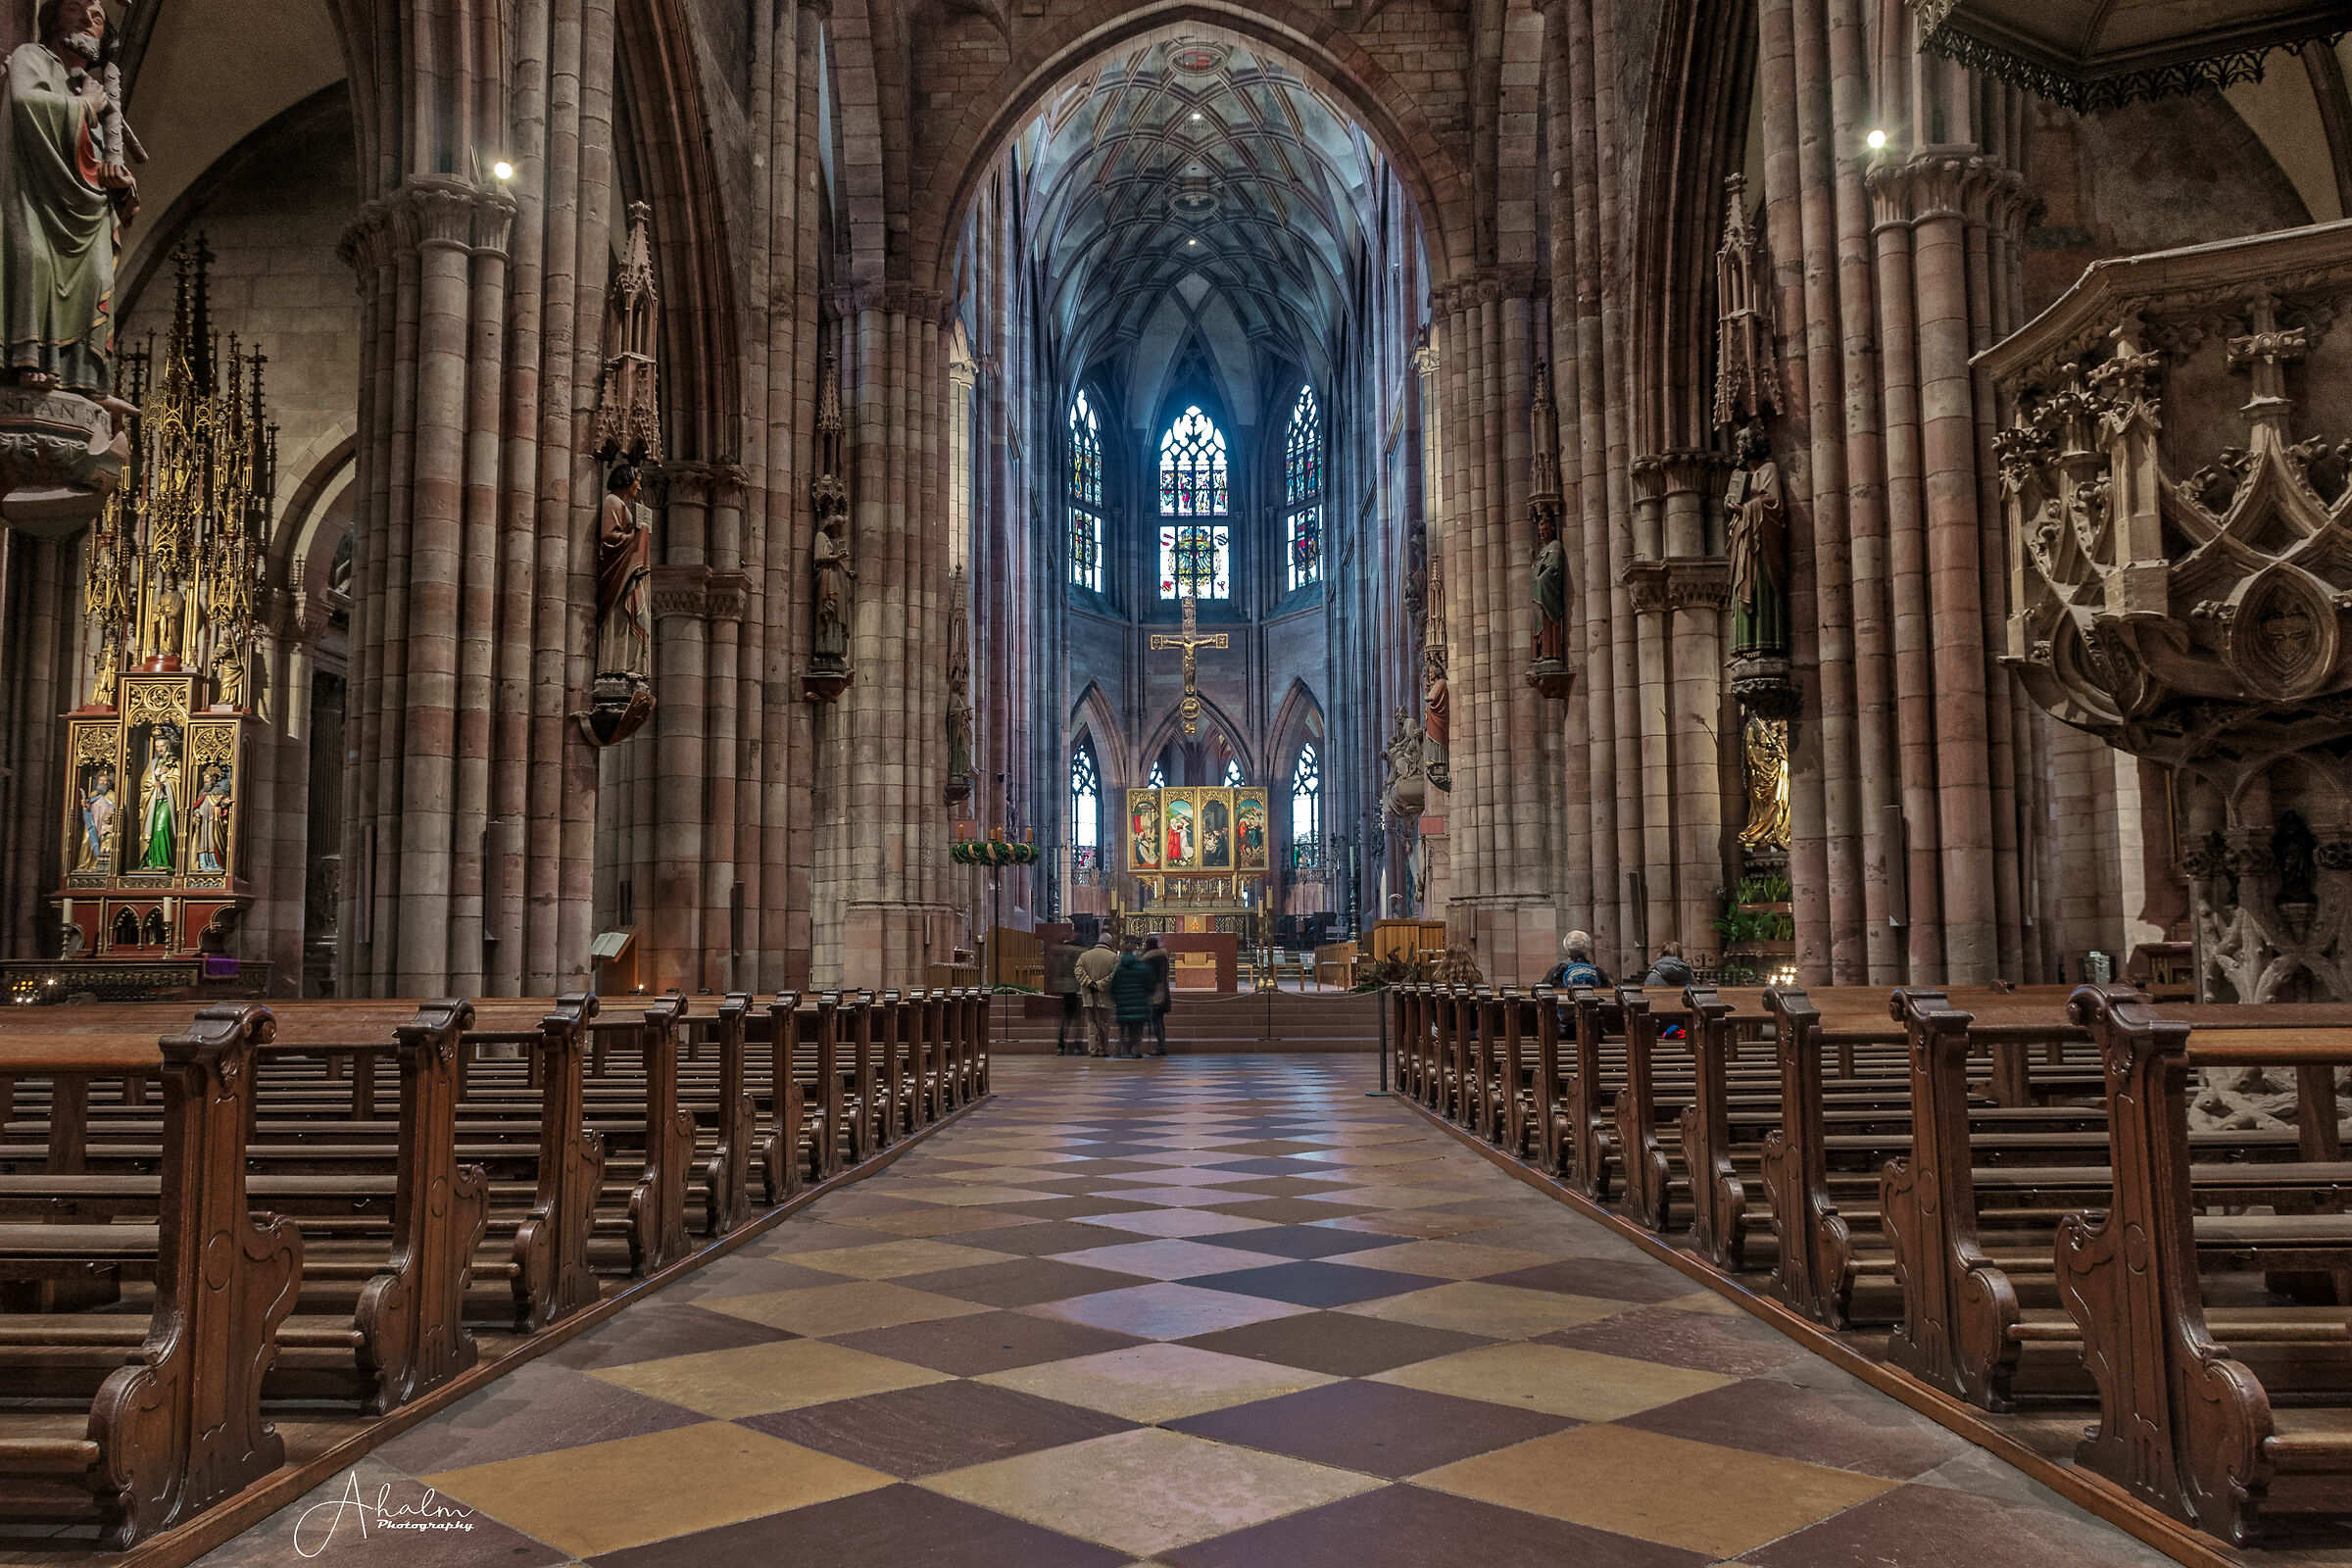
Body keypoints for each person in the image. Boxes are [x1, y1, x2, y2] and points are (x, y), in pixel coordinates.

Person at [1074, 933, 1119, 1057]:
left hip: (1089, 996)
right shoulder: (1114, 957)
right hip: (1106, 996)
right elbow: (1114, 976)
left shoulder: (1085, 956)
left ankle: (1093, 1050)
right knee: (1105, 1024)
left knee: (1092, 1024)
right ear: (1109, 943)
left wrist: (1090, 984)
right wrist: (1100, 985)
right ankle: (1103, 1049)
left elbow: (1078, 971)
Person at [1108, 942, 1156, 1058]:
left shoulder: (1119, 969)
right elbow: (1150, 984)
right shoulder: (1142, 966)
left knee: (1124, 1031)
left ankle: (1123, 1049)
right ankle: (1136, 1050)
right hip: (1139, 1005)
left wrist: (1117, 1000)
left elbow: (1113, 987)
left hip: (1123, 1006)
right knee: (1137, 1031)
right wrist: (1146, 997)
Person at [1045, 937, 1083, 1055]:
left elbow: (1059, 971)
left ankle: (1060, 1046)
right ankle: (1077, 1047)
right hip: (1076, 988)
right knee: (1078, 1021)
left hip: (1066, 988)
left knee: (1065, 1018)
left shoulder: (1063, 955)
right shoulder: (1079, 954)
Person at [1142, 936, 1172, 1056]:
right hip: (1163, 989)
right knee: (1159, 1020)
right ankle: (1161, 1044)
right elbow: (1165, 971)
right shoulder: (1163, 957)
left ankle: (1161, 1046)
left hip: (1154, 991)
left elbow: (1146, 975)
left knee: (1156, 1020)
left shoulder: (1147, 959)